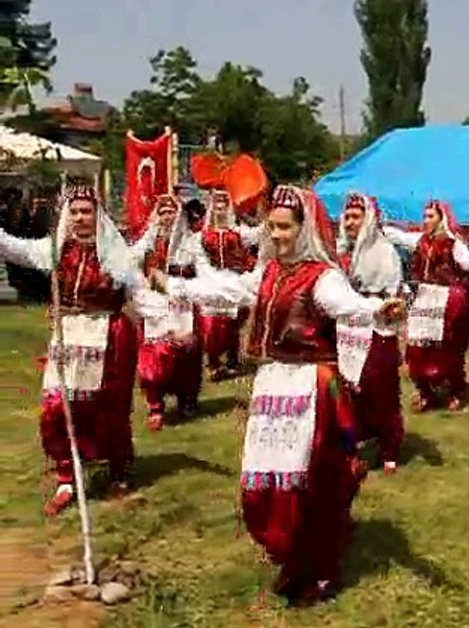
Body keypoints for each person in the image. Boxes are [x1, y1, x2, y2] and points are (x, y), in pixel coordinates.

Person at [150, 185, 403, 605]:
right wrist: (177, 287)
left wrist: (379, 311)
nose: (277, 234)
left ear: (304, 229)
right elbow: (227, 290)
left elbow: (348, 305)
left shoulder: (322, 277)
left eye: (285, 227)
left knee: (308, 482)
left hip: (311, 386)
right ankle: (292, 549)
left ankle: (318, 566)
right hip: (272, 386)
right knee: (262, 481)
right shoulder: (267, 273)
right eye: (272, 226)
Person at [0, 184, 167, 515]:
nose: (79, 218)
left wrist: (172, 317)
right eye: (74, 211)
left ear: (98, 216)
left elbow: (141, 294)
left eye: (86, 211)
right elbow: (15, 249)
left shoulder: (116, 254)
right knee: (57, 406)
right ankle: (66, 475)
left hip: (108, 336)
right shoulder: (56, 250)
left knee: (107, 409)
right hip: (68, 335)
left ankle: (118, 468)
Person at [383, 200, 469, 412]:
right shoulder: (420, 240)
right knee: (417, 346)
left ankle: (455, 390)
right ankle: (425, 391)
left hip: (448, 298)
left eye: (431, 216)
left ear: (442, 219)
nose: (426, 220)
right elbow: (396, 236)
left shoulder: (453, 243)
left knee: (447, 347)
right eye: (425, 216)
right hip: (425, 297)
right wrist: (377, 222)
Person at [336, 193, 405, 474]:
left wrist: (393, 311)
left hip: (376, 324)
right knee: (346, 388)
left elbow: (395, 292)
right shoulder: (339, 251)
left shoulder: (384, 251)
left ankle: (389, 446)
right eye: (347, 217)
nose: (350, 222)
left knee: (378, 387)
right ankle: (352, 442)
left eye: (356, 217)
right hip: (345, 325)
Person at [130, 193, 205, 430]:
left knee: (185, 354)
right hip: (154, 306)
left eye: (171, 213)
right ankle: (155, 405)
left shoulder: (192, 242)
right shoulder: (147, 241)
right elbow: (130, 261)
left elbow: (202, 269)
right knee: (153, 356)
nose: (167, 217)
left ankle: (187, 399)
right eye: (162, 213)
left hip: (183, 305)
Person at [195, 189, 260, 380]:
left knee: (233, 323)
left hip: (234, 281)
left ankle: (233, 359)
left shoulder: (239, 233)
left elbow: (260, 234)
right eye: (217, 203)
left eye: (224, 202)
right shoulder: (202, 235)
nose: (220, 207)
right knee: (212, 325)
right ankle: (214, 361)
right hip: (211, 281)